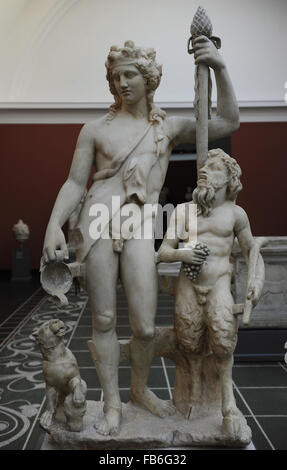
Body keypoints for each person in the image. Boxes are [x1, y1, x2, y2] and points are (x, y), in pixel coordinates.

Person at [42, 38, 240, 436]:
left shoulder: (166, 127)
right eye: (116, 77)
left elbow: (227, 121)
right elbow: (75, 182)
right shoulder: (95, 130)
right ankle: (113, 404)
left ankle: (138, 390)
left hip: (140, 225)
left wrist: (218, 66)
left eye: (130, 74)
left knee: (145, 326)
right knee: (103, 318)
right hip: (97, 224)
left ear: (149, 79)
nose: (122, 83)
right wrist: (52, 224)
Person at [157, 148, 265, 434]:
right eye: (204, 167)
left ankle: (227, 403)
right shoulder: (182, 212)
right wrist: (184, 255)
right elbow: (162, 252)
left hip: (218, 282)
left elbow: (252, 249)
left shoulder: (235, 214)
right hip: (188, 284)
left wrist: (256, 281)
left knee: (223, 340)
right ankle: (193, 391)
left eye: (214, 169)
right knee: (189, 341)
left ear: (229, 180)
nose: (204, 171)